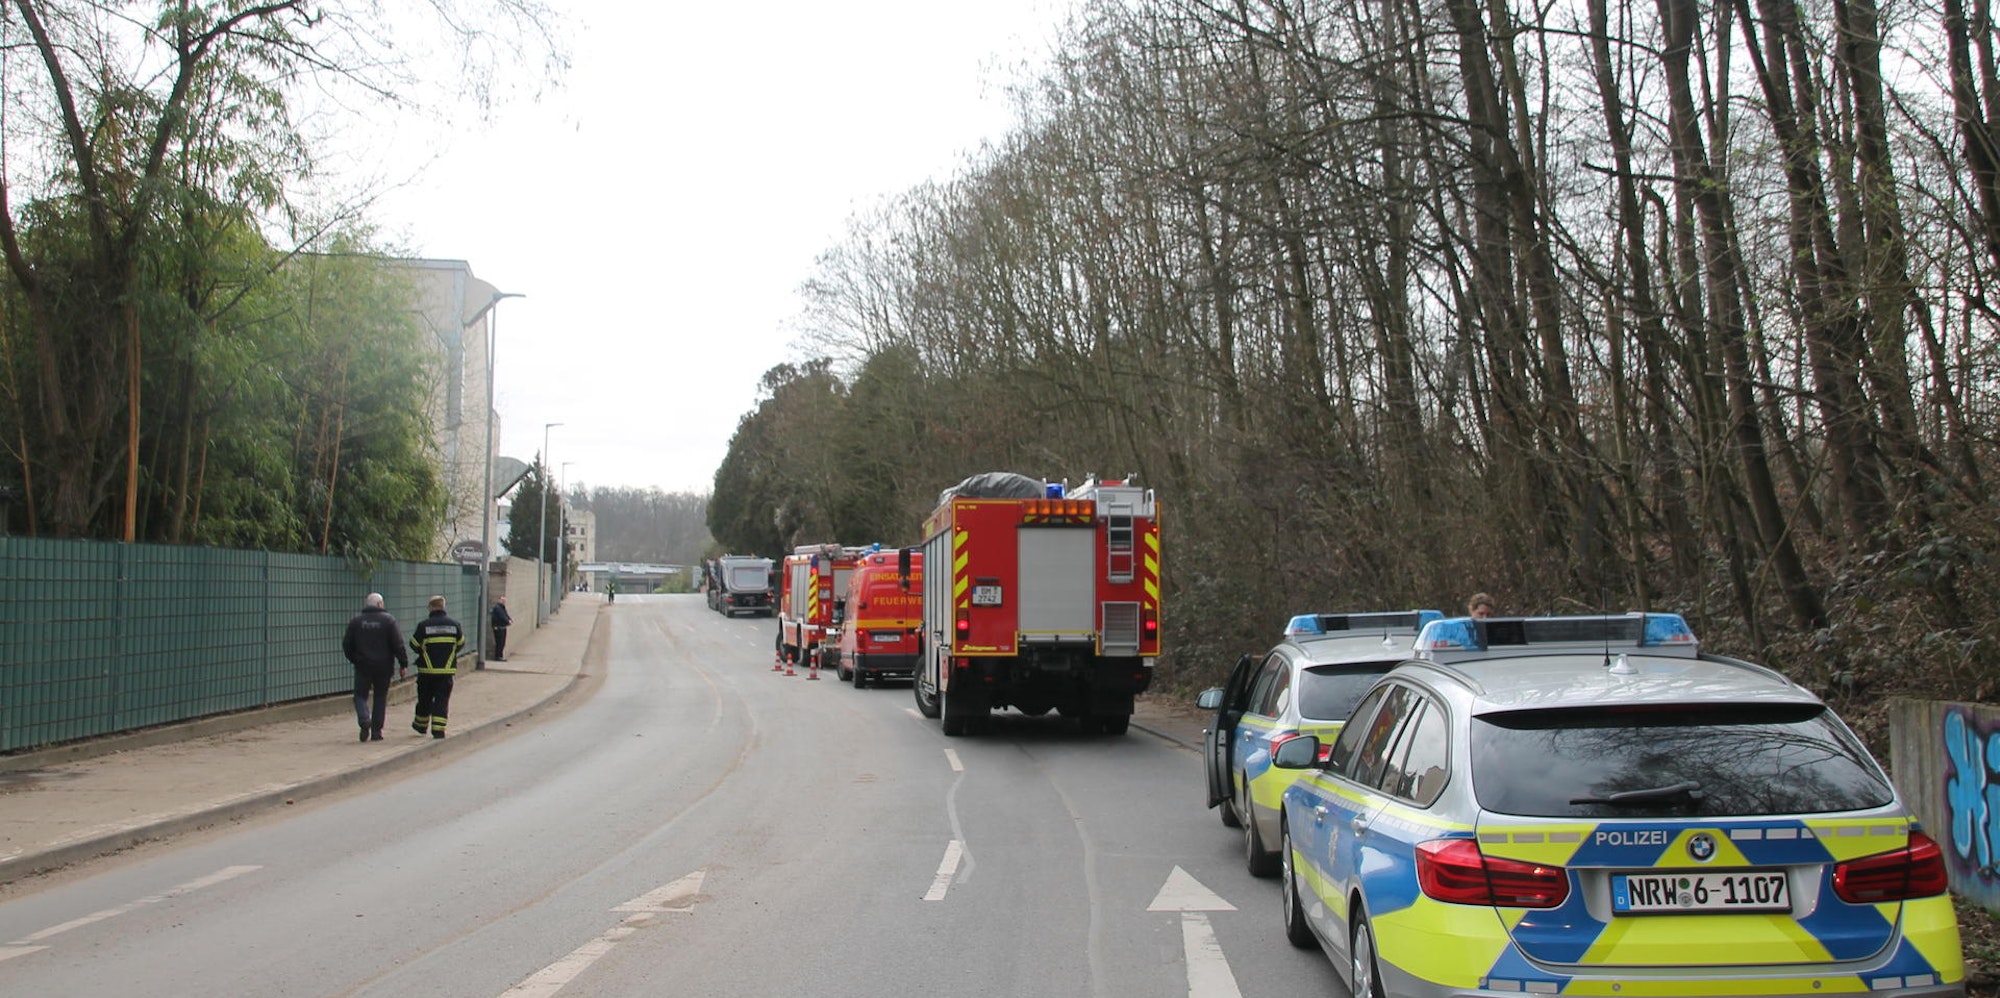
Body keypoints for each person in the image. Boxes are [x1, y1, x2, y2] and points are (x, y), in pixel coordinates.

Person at [343, 593, 408, 742]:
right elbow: (398, 644)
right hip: (384, 666)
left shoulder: (356, 621)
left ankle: (364, 718)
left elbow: (347, 644)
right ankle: (376, 732)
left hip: (363, 665)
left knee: (360, 695)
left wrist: (355, 659)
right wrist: (403, 663)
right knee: (380, 697)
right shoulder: (389, 621)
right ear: (379, 604)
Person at [409, 595, 465, 739]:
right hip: (446, 671)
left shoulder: (424, 626)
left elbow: (414, 645)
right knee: (442, 699)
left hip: (427, 671)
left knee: (424, 698)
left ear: (431, 607)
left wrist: (425, 651)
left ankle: (421, 725)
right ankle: (438, 730)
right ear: (443, 607)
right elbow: (460, 644)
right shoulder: (454, 625)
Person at [489, 595, 513, 661]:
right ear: (499, 600)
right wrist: (508, 621)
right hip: (498, 627)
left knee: (502, 642)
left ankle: (500, 656)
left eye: (504, 600)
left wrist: (510, 619)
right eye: (502, 600)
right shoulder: (497, 608)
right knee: (499, 642)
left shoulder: (502, 607)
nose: (503, 602)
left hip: (502, 627)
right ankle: (498, 656)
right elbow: (502, 616)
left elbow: (505, 614)